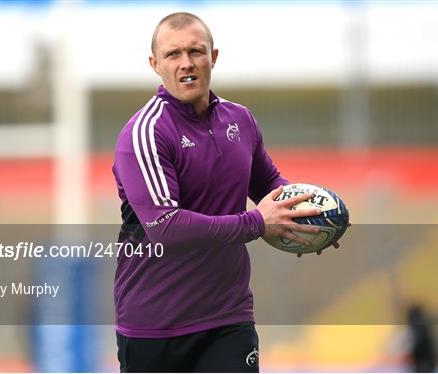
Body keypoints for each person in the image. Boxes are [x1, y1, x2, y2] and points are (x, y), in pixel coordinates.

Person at [112, 12, 322, 372]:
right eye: (173, 55)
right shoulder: (145, 133)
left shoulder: (241, 119)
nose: (186, 64)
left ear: (214, 56)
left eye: (196, 51)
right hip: (155, 326)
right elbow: (167, 228)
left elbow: (269, 185)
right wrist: (256, 224)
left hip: (228, 318)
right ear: (155, 64)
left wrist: (314, 214)